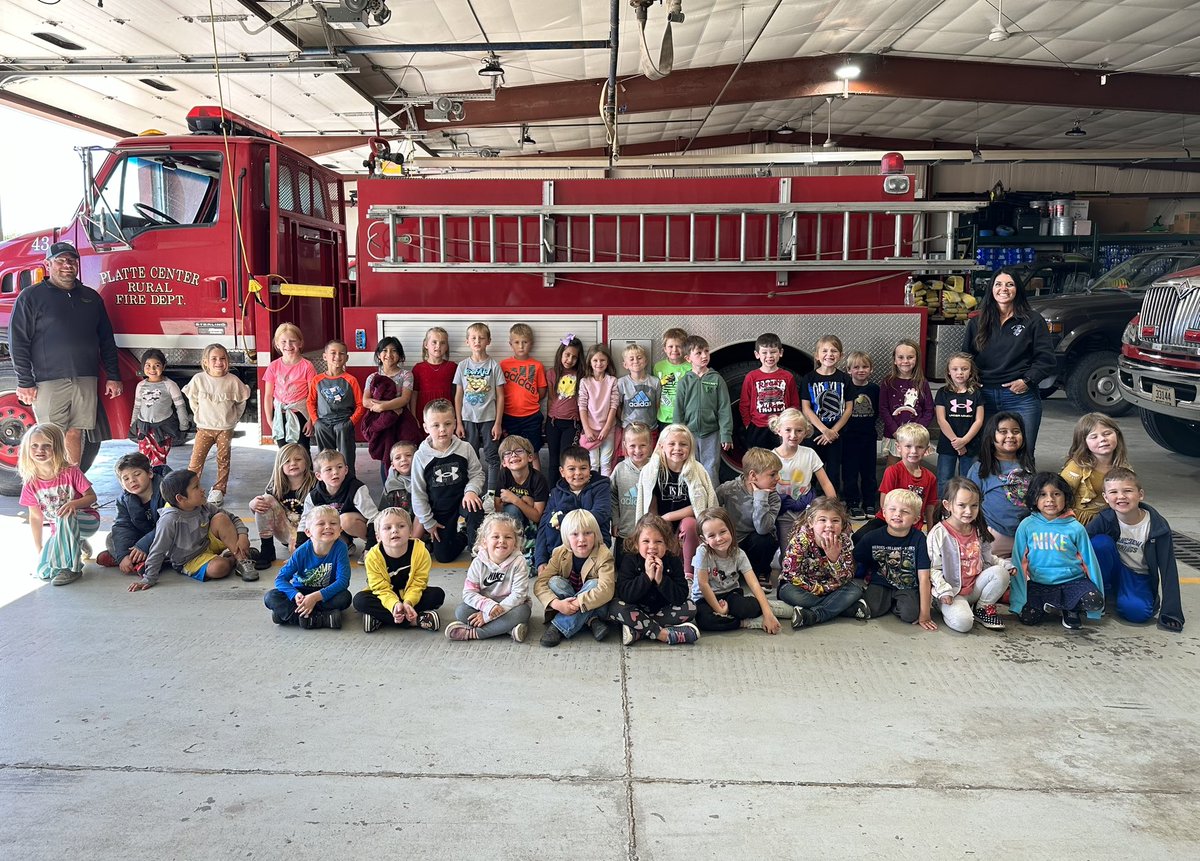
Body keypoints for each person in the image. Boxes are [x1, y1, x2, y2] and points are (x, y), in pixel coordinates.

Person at [8, 241, 122, 466]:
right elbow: (18, 341)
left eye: (71, 260)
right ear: (48, 264)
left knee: (75, 433)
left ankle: (72, 486)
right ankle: (49, 490)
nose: (67, 265)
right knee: (48, 437)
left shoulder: (91, 297)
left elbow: (107, 339)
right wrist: (25, 381)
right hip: (47, 381)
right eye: (60, 260)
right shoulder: (30, 297)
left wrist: (113, 375)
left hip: (85, 378)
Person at [962, 267, 1056, 454]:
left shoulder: (1033, 321)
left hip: (1021, 397)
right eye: (998, 284)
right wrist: (970, 383)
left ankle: (1022, 484)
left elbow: (1046, 359)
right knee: (986, 453)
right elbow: (966, 358)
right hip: (984, 396)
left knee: (1024, 452)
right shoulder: (977, 322)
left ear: (1018, 289)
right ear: (991, 289)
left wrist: (1027, 381)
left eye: (1010, 284)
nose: (1003, 289)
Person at [1087, 467, 1184, 632]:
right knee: (1099, 544)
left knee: (1138, 614)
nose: (1121, 496)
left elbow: (1168, 569)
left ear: (1140, 494)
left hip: (1138, 576)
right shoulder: (1104, 519)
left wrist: (1171, 612)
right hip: (1113, 569)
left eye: (1128, 491)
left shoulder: (1157, 527)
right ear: (1105, 497)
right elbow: (1079, 545)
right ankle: (1102, 590)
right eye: (1114, 492)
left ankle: (1126, 596)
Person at [131, 469, 254, 591]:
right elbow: (158, 549)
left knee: (221, 518)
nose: (203, 489)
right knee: (220, 568)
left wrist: (243, 536)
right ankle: (233, 558)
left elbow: (233, 518)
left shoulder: (203, 505)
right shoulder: (170, 519)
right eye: (196, 487)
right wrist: (149, 578)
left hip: (206, 543)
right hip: (190, 559)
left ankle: (242, 560)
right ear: (180, 498)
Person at [1010, 472, 1104, 630]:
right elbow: (1018, 563)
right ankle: (1058, 607)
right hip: (1039, 584)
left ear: (1066, 497)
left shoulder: (1075, 528)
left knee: (1094, 601)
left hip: (1072, 583)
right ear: (1034, 498)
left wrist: (1097, 606)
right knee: (1027, 617)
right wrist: (1018, 601)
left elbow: (1090, 563)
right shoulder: (1027, 526)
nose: (1050, 500)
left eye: (1056, 494)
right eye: (1042, 495)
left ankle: (1070, 610)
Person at [926, 477, 1014, 632]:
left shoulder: (978, 529)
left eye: (974, 506)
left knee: (1001, 573)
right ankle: (946, 606)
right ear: (948, 505)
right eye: (962, 505)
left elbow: (988, 558)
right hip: (952, 592)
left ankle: (982, 608)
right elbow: (933, 569)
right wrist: (943, 591)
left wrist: (1004, 565)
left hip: (975, 588)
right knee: (964, 623)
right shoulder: (939, 533)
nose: (969, 511)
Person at [19, 422, 100, 586]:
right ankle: (78, 543)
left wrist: (74, 504)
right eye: (34, 446)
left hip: (86, 521)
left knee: (65, 516)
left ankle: (72, 569)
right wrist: (39, 547)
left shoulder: (70, 472)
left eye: (46, 445)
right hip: (60, 531)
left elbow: (92, 497)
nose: (39, 450)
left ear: (57, 447)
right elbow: (35, 517)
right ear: (27, 449)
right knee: (44, 571)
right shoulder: (31, 484)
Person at [634, 423, 716, 579]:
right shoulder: (652, 470)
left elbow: (700, 506)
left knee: (690, 524)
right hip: (660, 523)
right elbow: (649, 503)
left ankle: (689, 572)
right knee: (651, 530)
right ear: (662, 446)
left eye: (683, 444)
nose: (677, 448)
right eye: (672, 444)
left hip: (685, 526)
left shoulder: (697, 470)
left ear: (690, 447)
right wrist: (659, 524)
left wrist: (670, 517)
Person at [606, 513, 699, 645]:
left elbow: (681, 595)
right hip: (635, 608)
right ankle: (662, 634)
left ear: (667, 544)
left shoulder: (672, 560)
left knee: (690, 607)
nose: (652, 547)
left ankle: (638, 631)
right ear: (637, 544)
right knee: (614, 607)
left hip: (661, 611)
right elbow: (624, 594)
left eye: (659, 541)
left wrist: (661, 579)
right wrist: (647, 578)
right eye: (646, 541)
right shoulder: (630, 560)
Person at [411, 398, 486, 563]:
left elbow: (477, 473)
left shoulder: (465, 448)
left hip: (462, 501)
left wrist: (471, 491)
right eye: (436, 425)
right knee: (444, 557)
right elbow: (418, 493)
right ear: (426, 428)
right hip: (440, 509)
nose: (442, 430)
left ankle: (477, 553)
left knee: (475, 508)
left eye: (447, 424)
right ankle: (464, 536)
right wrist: (428, 522)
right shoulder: (421, 456)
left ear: (455, 423)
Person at [778, 497, 867, 628]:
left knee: (855, 589)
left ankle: (813, 615)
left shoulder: (845, 542)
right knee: (790, 594)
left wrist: (834, 559)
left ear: (842, 524)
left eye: (835, 520)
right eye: (822, 520)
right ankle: (846, 609)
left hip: (832, 587)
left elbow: (848, 576)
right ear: (811, 522)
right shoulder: (800, 540)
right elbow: (791, 574)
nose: (829, 525)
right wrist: (819, 589)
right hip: (802, 587)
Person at [354, 507, 445, 634]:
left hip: (410, 594)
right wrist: (394, 605)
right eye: (387, 528)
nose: (395, 530)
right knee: (360, 600)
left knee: (437, 595)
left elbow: (418, 583)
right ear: (378, 536)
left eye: (401, 526)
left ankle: (380, 618)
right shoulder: (372, 557)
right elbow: (380, 588)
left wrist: (408, 602)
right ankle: (416, 620)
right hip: (385, 597)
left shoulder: (420, 551)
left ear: (410, 532)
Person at [852, 488, 934, 628]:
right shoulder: (872, 537)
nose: (897, 514)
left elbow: (924, 577)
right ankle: (887, 603)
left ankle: (895, 604)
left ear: (916, 519)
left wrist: (925, 614)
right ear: (884, 513)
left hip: (907, 585)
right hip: (880, 582)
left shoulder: (919, 539)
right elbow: (854, 558)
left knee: (910, 615)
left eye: (905, 511)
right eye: (892, 509)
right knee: (871, 609)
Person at [444, 513, 532, 642]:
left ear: (515, 543)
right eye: (495, 536)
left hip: (510, 607)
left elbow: (519, 595)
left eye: (508, 537)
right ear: (484, 542)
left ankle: (474, 633)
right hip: (484, 604)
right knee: (461, 611)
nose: (502, 540)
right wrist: (487, 608)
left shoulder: (519, 562)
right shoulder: (478, 562)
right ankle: (508, 629)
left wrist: (487, 617)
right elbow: (469, 593)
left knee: (523, 612)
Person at [534, 509, 616, 646]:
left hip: (596, 605)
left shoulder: (604, 555)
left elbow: (607, 590)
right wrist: (557, 604)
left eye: (588, 533)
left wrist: (577, 603)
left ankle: (558, 626)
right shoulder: (560, 553)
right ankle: (591, 620)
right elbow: (540, 583)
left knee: (595, 584)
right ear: (566, 536)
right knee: (554, 582)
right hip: (566, 599)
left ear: (596, 534)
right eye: (574, 534)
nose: (581, 539)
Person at [691, 507, 780, 634]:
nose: (719, 538)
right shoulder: (702, 552)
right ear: (704, 539)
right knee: (705, 621)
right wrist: (719, 609)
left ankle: (769, 609)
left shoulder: (739, 554)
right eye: (711, 535)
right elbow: (703, 584)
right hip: (704, 597)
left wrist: (768, 615)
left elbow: (754, 583)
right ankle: (744, 622)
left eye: (723, 532)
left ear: (731, 530)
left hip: (730, 593)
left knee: (750, 607)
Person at [263, 504, 352, 629]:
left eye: (333, 523)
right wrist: (294, 594)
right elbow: (280, 579)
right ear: (308, 532)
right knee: (271, 597)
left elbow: (343, 581)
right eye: (321, 524)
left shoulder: (341, 548)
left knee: (345, 597)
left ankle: (288, 616)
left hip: (324, 594)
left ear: (340, 530)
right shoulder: (301, 551)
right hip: (301, 594)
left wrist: (315, 597)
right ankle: (320, 618)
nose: (328, 526)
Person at [184, 343, 250, 507]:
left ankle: (219, 490)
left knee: (223, 459)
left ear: (227, 360)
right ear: (205, 361)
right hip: (204, 428)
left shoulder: (232, 381)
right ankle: (189, 489)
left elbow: (241, 401)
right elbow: (193, 400)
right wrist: (200, 415)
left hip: (225, 429)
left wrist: (234, 419)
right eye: (214, 358)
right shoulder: (199, 379)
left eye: (222, 358)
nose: (218, 362)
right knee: (196, 461)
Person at [966, 412, 1036, 557]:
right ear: (991, 438)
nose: (1010, 435)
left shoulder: (1027, 465)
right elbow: (969, 503)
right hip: (994, 535)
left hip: (1027, 535)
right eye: (1003, 432)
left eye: (1016, 431)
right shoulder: (980, 469)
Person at [856, 422, 938, 541]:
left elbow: (931, 508)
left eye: (919, 447)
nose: (913, 451)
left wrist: (931, 533)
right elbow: (884, 502)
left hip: (911, 524)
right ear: (898, 447)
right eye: (908, 446)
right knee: (859, 537)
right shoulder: (893, 471)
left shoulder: (930, 477)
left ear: (927, 450)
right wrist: (892, 529)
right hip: (887, 520)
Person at [535, 445, 612, 571]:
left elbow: (601, 513)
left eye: (583, 468)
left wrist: (565, 520)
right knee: (554, 585)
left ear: (590, 469)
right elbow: (544, 525)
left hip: (594, 555)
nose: (578, 473)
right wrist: (540, 559)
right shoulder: (556, 493)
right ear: (562, 472)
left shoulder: (601, 487)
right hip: (562, 556)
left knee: (595, 585)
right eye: (571, 469)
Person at [715, 447, 781, 588]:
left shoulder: (774, 497)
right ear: (753, 475)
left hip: (754, 544)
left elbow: (763, 528)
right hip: (731, 543)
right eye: (772, 474)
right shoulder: (728, 489)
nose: (778, 478)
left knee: (766, 539)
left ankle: (760, 572)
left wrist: (760, 497)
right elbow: (712, 509)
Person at [453, 322, 506, 494]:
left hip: (489, 419)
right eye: (473, 338)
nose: (477, 341)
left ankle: (491, 494)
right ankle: (471, 492)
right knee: (470, 457)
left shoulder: (494, 366)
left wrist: (498, 423)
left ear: (488, 341)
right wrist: (458, 423)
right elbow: (458, 396)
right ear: (467, 341)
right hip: (468, 419)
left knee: (492, 457)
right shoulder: (462, 366)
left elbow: (500, 396)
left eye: (481, 338)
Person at [673, 334, 733, 485]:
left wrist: (726, 434)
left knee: (711, 468)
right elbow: (678, 409)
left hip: (711, 433)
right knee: (690, 468)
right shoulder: (684, 382)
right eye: (698, 353)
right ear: (688, 358)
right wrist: (677, 433)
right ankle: (692, 502)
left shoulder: (716, 379)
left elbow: (724, 408)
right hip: (690, 434)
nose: (704, 356)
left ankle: (712, 504)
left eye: (706, 351)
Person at [771, 408, 836, 546]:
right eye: (788, 430)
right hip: (782, 511)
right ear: (778, 430)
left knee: (809, 545)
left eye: (799, 430)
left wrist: (834, 508)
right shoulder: (771, 457)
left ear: (805, 432)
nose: (793, 435)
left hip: (807, 508)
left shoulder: (809, 453)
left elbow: (825, 483)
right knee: (787, 549)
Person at [360, 336, 419, 482]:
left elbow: (404, 399)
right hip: (381, 422)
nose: (389, 354)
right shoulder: (372, 377)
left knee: (406, 453)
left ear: (400, 355)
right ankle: (389, 489)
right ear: (379, 355)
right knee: (386, 454)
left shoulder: (406, 375)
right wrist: (384, 408)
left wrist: (382, 406)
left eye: (394, 351)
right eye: (384, 350)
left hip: (402, 420)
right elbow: (365, 401)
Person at [97, 452, 166, 574]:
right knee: (111, 538)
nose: (132, 481)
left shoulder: (166, 490)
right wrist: (123, 554)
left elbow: (168, 524)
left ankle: (146, 562)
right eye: (126, 478)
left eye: (137, 474)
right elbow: (122, 526)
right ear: (121, 484)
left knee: (174, 543)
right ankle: (130, 560)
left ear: (150, 473)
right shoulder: (123, 500)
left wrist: (144, 545)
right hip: (143, 538)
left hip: (167, 535)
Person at [249, 443, 315, 569]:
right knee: (265, 500)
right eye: (287, 461)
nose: (293, 463)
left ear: (306, 462)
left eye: (298, 459)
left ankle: (298, 546)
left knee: (299, 557)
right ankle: (267, 549)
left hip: (308, 531)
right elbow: (262, 512)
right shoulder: (276, 486)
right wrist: (252, 504)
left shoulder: (316, 484)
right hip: (286, 529)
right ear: (280, 465)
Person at [800, 335, 852, 495]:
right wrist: (824, 430)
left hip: (837, 435)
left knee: (834, 473)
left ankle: (832, 504)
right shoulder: (809, 379)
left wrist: (833, 431)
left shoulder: (844, 379)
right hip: (815, 435)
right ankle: (810, 504)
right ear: (817, 355)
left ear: (841, 355)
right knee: (811, 471)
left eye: (834, 351)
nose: (829, 354)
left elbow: (848, 408)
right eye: (825, 351)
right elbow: (806, 408)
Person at [1060, 413, 1131, 526]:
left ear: (1117, 435)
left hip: (1112, 518)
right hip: (1081, 523)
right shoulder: (1078, 465)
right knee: (1103, 543)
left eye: (1107, 433)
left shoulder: (1124, 466)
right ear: (1084, 443)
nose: (1103, 439)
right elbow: (1060, 495)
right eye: (1094, 437)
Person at [302, 449, 379, 553]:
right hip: (337, 529)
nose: (335, 472)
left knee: (345, 519)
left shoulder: (356, 488)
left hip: (357, 525)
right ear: (319, 476)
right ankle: (346, 544)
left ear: (346, 470)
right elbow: (305, 521)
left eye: (339, 467)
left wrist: (370, 546)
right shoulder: (314, 495)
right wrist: (299, 548)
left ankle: (376, 547)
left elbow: (374, 517)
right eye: (328, 469)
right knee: (320, 522)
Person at [307, 339, 364, 478]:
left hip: (344, 423)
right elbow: (310, 402)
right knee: (325, 458)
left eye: (341, 353)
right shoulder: (317, 380)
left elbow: (360, 405)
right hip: (323, 423)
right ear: (325, 356)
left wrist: (350, 422)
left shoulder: (351, 380)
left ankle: (349, 484)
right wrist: (316, 422)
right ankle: (327, 484)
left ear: (347, 358)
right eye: (333, 353)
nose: (337, 357)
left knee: (346, 459)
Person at [127, 348, 189, 475]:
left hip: (163, 429)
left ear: (164, 366)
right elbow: (137, 407)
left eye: (157, 365)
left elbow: (180, 407)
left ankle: (159, 485)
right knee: (143, 461)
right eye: (148, 366)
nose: (152, 369)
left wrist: (184, 427)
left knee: (159, 462)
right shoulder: (141, 386)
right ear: (143, 366)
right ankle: (148, 486)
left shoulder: (170, 385)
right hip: (144, 429)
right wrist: (133, 425)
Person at [934, 352, 985, 498]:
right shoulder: (943, 393)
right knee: (944, 479)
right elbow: (941, 420)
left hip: (971, 443)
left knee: (968, 480)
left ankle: (965, 507)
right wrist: (956, 442)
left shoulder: (977, 393)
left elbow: (979, 420)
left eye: (964, 369)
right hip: (947, 444)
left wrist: (964, 441)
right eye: (955, 369)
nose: (960, 372)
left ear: (971, 371)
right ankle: (942, 510)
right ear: (948, 372)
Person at [739, 332, 799, 451]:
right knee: (760, 462)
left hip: (782, 427)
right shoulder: (751, 377)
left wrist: (790, 424)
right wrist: (747, 424)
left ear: (780, 353)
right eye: (764, 352)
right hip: (758, 427)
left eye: (773, 352)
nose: (769, 356)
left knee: (782, 460)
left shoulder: (788, 376)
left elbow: (794, 404)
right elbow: (744, 403)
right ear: (757, 354)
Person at [497, 434, 550, 567]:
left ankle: (523, 547)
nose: (513, 455)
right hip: (512, 520)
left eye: (519, 451)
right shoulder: (504, 474)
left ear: (530, 457)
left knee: (514, 507)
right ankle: (512, 547)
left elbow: (538, 516)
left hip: (533, 522)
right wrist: (524, 502)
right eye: (508, 453)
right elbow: (498, 507)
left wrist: (515, 499)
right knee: (511, 510)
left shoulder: (538, 479)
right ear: (504, 462)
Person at [500, 323, 548, 471]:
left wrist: (528, 402)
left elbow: (542, 391)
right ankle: (506, 487)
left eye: (525, 342)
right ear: (510, 344)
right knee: (508, 453)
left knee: (532, 453)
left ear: (531, 344)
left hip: (531, 417)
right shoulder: (503, 365)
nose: (521, 346)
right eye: (517, 342)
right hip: (509, 416)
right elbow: (499, 391)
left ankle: (537, 487)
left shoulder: (537, 365)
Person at [262, 323, 316, 450]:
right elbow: (268, 396)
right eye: (283, 341)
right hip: (280, 415)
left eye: (293, 341)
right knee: (284, 452)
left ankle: (307, 471)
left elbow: (313, 395)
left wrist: (311, 420)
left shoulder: (307, 366)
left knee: (303, 450)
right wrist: (270, 420)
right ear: (277, 344)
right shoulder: (273, 366)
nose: (288, 345)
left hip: (301, 414)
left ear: (300, 343)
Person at [880, 339, 934, 467]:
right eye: (901, 357)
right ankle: (891, 488)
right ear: (894, 359)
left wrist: (918, 430)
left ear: (916, 359)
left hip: (915, 437)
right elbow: (883, 408)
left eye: (910, 357)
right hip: (894, 436)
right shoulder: (888, 382)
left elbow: (929, 409)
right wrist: (895, 431)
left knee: (912, 468)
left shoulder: (922, 383)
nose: (905, 361)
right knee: (892, 468)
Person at [841, 351, 881, 520]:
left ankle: (869, 502)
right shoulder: (845, 388)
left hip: (868, 437)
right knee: (850, 472)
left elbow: (878, 410)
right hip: (849, 437)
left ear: (871, 369)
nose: (861, 370)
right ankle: (852, 503)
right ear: (848, 370)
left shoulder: (874, 389)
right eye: (856, 367)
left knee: (869, 471)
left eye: (865, 367)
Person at [611, 422, 654, 559]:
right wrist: (615, 520)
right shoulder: (619, 469)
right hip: (625, 532)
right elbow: (612, 495)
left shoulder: (656, 469)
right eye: (632, 446)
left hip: (650, 534)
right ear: (625, 445)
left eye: (642, 445)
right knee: (621, 568)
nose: (637, 450)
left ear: (650, 444)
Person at [578, 343, 620, 476]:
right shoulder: (585, 382)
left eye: (602, 360)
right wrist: (587, 429)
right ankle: (593, 491)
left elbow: (614, 405)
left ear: (608, 362)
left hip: (608, 429)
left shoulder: (612, 381)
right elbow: (582, 406)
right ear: (590, 362)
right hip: (590, 430)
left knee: (606, 462)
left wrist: (607, 428)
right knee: (593, 463)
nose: (599, 363)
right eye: (595, 360)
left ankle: (605, 492)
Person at [545, 334, 584, 477]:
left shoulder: (581, 375)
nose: (570, 360)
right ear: (561, 353)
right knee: (553, 460)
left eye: (574, 357)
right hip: (553, 422)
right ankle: (552, 493)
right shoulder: (551, 373)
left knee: (567, 460)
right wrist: (548, 421)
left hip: (572, 424)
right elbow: (550, 399)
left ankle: (566, 492)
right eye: (567, 355)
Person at [617, 343, 661, 447]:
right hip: (629, 429)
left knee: (651, 459)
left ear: (645, 361)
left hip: (651, 428)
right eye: (631, 359)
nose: (636, 361)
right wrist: (625, 420)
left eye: (639, 358)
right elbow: (618, 407)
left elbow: (657, 405)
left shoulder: (655, 382)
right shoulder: (621, 383)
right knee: (631, 457)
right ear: (625, 365)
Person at [411, 326, 457, 424]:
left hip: (446, 413)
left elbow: (458, 394)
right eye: (434, 342)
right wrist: (413, 415)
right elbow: (414, 394)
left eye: (443, 343)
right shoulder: (418, 368)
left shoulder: (453, 367)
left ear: (447, 346)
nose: (438, 346)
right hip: (424, 413)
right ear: (426, 344)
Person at [653, 327, 690, 431]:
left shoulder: (691, 367)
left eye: (679, 346)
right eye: (670, 346)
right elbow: (656, 391)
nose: (674, 350)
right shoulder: (658, 367)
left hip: (684, 417)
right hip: (663, 417)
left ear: (686, 348)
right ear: (664, 348)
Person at [378, 440, 418, 531]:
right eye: (398, 458)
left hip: (423, 525)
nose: (403, 459)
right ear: (393, 465)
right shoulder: (391, 485)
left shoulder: (426, 479)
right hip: (397, 528)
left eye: (408, 455)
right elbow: (384, 512)